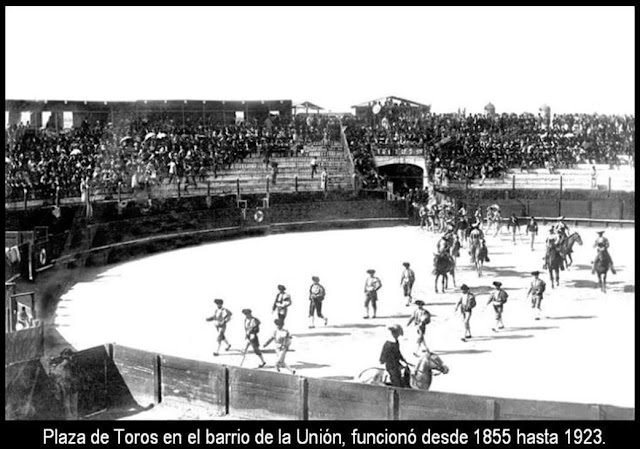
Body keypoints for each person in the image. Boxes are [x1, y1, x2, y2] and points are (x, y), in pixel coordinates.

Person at [49, 348, 79, 420]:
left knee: (72, 405)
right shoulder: (62, 363)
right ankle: (71, 418)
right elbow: (54, 372)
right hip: (66, 387)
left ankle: (74, 418)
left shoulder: (71, 363)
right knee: (68, 406)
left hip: (71, 386)